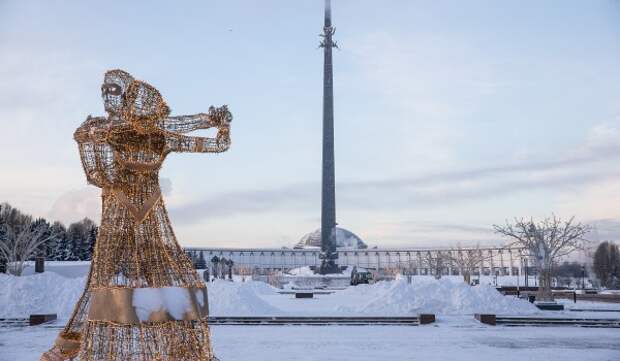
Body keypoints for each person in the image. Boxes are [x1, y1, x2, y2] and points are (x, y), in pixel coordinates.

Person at [40, 70, 231, 361]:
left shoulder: (154, 133)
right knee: (104, 280)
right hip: (119, 215)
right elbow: (87, 149)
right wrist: (213, 123)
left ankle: (178, 348)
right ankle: (75, 346)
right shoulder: (103, 128)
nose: (106, 94)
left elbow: (193, 131)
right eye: (104, 89)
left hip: (149, 217)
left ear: (129, 97)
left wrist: (215, 122)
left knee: (156, 277)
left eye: (114, 90)